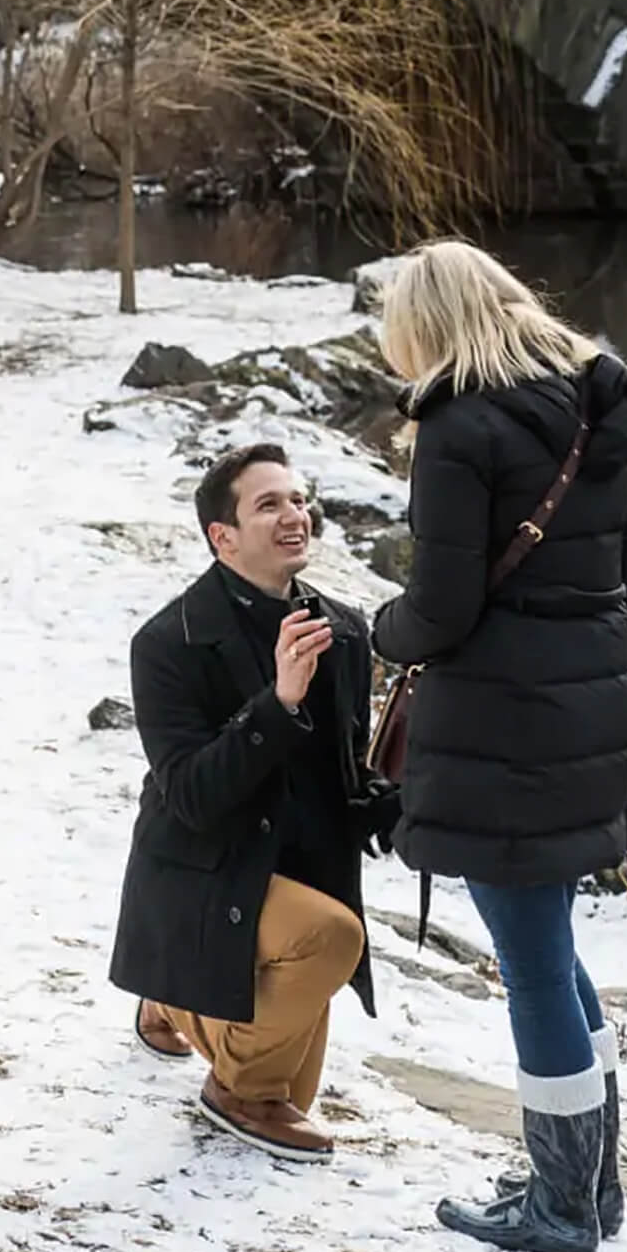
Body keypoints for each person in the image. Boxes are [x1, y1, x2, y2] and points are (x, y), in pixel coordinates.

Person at [372, 241, 627, 1252]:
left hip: (506, 715)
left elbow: (440, 610)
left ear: (429, 325)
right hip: (591, 698)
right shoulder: (594, 402)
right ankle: (591, 1183)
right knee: (549, 941)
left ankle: (562, 1211)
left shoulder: (457, 424)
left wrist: (381, 627)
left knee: (531, 960)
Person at [109, 443, 399, 1162]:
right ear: (223, 536)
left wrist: (414, 807)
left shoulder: (346, 629)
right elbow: (192, 797)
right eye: (269, 504)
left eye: (299, 500)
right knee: (331, 939)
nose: (294, 515)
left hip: (295, 868)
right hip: (203, 870)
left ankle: (174, 1001)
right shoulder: (168, 642)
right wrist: (279, 702)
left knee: (293, 1097)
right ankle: (227, 1087)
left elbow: (345, 775)